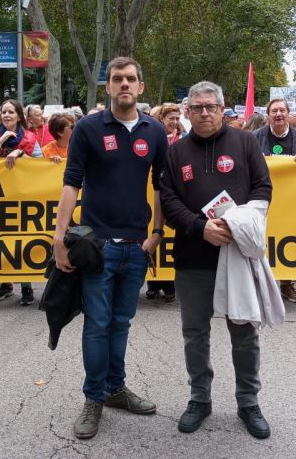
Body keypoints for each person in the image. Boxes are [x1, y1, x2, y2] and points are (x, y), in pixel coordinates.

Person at [51, 56, 168, 440]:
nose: (124, 84)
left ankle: (115, 389)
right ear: (108, 86)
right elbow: (72, 182)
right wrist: (59, 237)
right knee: (98, 325)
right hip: (97, 246)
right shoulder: (87, 128)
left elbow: (162, 186)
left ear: (141, 87)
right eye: (117, 79)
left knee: (121, 323)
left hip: (137, 247)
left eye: (131, 79)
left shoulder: (155, 131)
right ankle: (94, 398)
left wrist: (156, 233)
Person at [159, 81, 273, 439]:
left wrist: (237, 222)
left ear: (223, 110)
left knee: (244, 332)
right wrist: (199, 227)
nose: (205, 112)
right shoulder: (175, 152)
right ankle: (199, 399)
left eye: (211, 106)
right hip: (193, 256)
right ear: (187, 112)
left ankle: (248, 402)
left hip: (236, 254)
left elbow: (263, 188)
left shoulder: (245, 143)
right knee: (195, 333)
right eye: (198, 107)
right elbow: (168, 199)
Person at [0, 99, 42, 305]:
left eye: (11, 112)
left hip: (22, 198)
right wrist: (0, 142)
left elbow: (42, 166)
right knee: (1, 241)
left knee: (21, 241)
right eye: (3, 112)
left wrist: (21, 153)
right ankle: (5, 285)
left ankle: (26, 287)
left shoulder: (31, 138)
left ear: (18, 116)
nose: (6, 115)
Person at [251, 98, 296, 304]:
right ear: (268, 115)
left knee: (289, 238)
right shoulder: (254, 138)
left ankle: (287, 284)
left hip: (291, 201)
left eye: (282, 110)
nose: (278, 114)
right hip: (262, 199)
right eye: (274, 111)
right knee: (262, 240)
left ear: (288, 113)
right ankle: (260, 285)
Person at [146, 102, 183, 302]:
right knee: (154, 235)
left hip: (175, 195)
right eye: (171, 119)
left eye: (178, 119)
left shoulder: (183, 140)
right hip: (154, 194)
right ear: (162, 120)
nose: (175, 122)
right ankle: (153, 283)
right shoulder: (154, 139)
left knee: (170, 237)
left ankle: (169, 284)